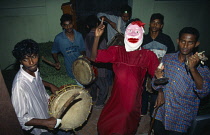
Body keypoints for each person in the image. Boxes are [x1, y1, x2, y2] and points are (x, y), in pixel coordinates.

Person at [91, 18, 159, 135]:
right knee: (106, 124)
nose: (133, 34)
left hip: (132, 101)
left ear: (142, 33)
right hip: (116, 97)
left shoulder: (148, 55)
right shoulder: (117, 51)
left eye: (137, 31)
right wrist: (97, 37)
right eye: (130, 30)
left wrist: (160, 87)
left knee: (125, 126)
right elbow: (94, 58)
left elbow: (157, 77)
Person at [152, 27, 210, 134]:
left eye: (190, 42)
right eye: (183, 41)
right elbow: (156, 80)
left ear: (196, 44)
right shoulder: (168, 58)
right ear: (178, 41)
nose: (185, 46)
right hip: (162, 112)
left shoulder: (202, 67)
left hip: (181, 119)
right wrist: (160, 90)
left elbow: (204, 92)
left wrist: (193, 69)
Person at [11, 39, 70, 135]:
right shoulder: (19, 87)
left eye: (33, 57)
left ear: (37, 55)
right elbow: (20, 118)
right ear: (20, 61)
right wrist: (45, 122)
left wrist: (50, 85)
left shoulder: (33, 70)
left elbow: (37, 80)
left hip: (48, 112)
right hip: (41, 128)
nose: (31, 62)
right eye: (26, 59)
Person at [141, 13, 175, 117]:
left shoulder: (166, 39)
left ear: (161, 26)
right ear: (149, 24)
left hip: (160, 73)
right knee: (144, 93)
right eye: (153, 22)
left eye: (158, 23)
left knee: (156, 95)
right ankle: (142, 111)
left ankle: (153, 115)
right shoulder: (144, 39)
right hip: (146, 72)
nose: (155, 25)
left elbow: (171, 56)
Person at [52, 14, 85, 86]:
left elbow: (82, 49)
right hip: (70, 69)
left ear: (72, 23)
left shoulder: (79, 35)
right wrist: (57, 62)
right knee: (77, 88)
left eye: (70, 24)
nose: (68, 27)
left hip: (81, 67)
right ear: (62, 26)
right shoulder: (59, 38)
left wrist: (84, 60)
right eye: (65, 25)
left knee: (82, 87)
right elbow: (54, 51)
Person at [85, 15, 109, 108]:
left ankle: (93, 97)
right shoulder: (100, 38)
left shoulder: (87, 36)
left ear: (87, 26)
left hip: (90, 65)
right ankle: (99, 103)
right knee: (104, 86)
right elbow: (103, 52)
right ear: (97, 24)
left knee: (93, 83)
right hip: (100, 67)